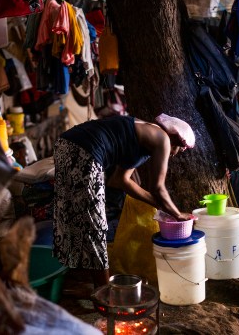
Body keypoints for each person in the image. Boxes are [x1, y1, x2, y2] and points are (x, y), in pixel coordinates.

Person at [53, 113, 196, 289]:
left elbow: (121, 180)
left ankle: (74, 280)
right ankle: (105, 292)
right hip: (84, 151)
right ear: (175, 138)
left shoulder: (141, 139)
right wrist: (177, 214)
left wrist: (161, 207)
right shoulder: (163, 139)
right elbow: (158, 187)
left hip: (65, 144)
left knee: (76, 217)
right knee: (96, 224)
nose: (174, 154)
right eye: (179, 150)